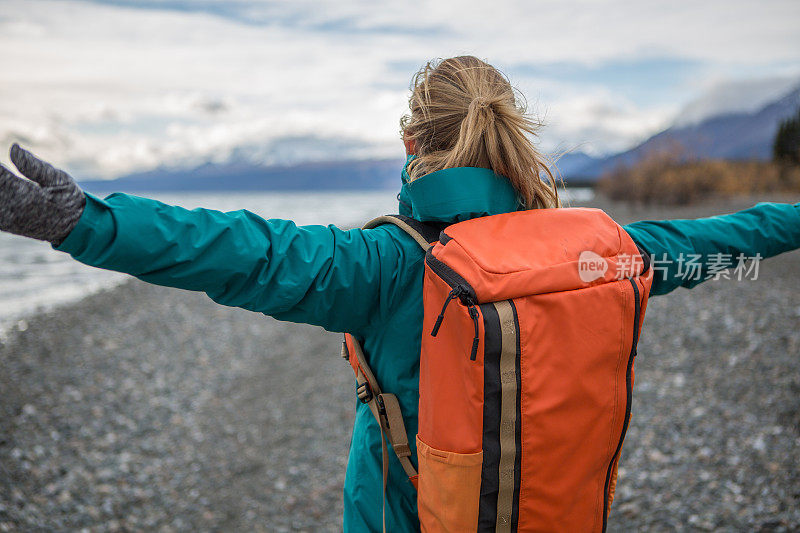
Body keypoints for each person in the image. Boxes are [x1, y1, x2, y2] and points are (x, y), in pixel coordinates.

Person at [1, 55, 798, 532]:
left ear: (413, 144)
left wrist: (82, 221)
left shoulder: (385, 265)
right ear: (515, 140)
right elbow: (726, 240)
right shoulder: (612, 255)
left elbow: (240, 251)